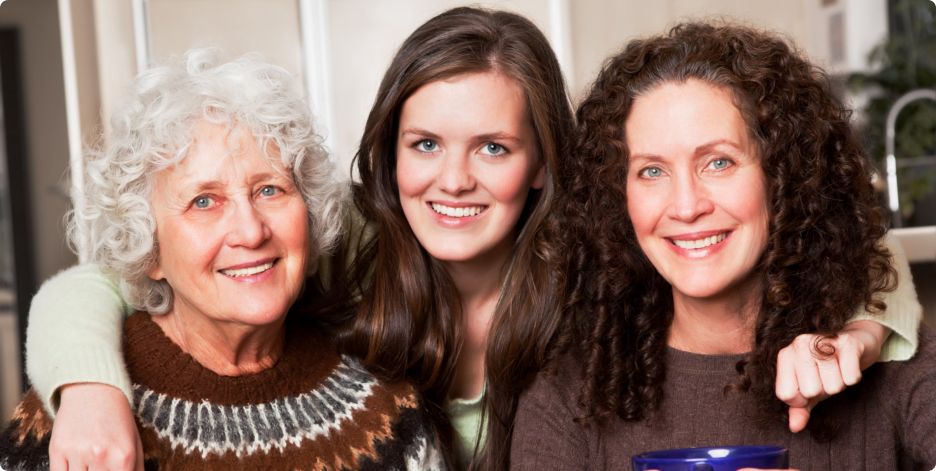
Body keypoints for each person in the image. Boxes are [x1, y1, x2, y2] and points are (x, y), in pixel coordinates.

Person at [21, 9, 924, 471]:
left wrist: (857, 333)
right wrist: (89, 386)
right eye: (424, 146)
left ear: (540, 164)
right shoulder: (338, 256)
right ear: (390, 152)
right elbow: (100, 281)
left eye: (492, 147)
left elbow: (850, 268)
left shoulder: (603, 269)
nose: (451, 180)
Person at [510, 22, 935, 470]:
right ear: (619, 197)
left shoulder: (889, 365)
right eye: (652, 171)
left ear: (783, 176)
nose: (687, 206)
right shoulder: (570, 391)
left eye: (718, 162)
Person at [0, 49, 445, 471]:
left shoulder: (385, 411)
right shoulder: (82, 420)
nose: (251, 231)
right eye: (204, 201)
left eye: (270, 190)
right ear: (148, 247)